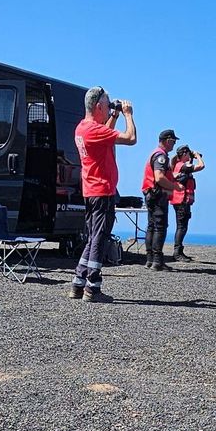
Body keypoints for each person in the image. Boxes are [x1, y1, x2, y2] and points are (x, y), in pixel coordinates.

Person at [68, 87, 136, 303]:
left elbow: (104, 136)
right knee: (99, 237)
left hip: (91, 189)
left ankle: (78, 283)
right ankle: (92, 288)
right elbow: (131, 138)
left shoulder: (83, 128)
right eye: (107, 105)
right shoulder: (94, 130)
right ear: (98, 106)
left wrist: (113, 116)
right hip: (102, 190)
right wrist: (128, 114)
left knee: (93, 236)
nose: (109, 108)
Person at [140, 129, 186, 271]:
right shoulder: (161, 156)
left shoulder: (154, 153)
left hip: (150, 193)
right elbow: (159, 177)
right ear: (167, 140)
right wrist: (175, 186)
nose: (174, 144)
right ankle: (157, 261)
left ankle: (150, 259)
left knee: (151, 226)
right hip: (158, 194)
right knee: (160, 227)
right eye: (173, 141)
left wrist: (173, 177)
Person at [169, 145, 205, 262]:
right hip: (181, 200)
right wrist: (198, 157)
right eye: (188, 154)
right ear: (184, 154)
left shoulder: (179, 165)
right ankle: (177, 252)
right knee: (182, 227)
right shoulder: (182, 166)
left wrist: (193, 157)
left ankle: (179, 251)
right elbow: (201, 166)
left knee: (182, 226)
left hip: (180, 200)